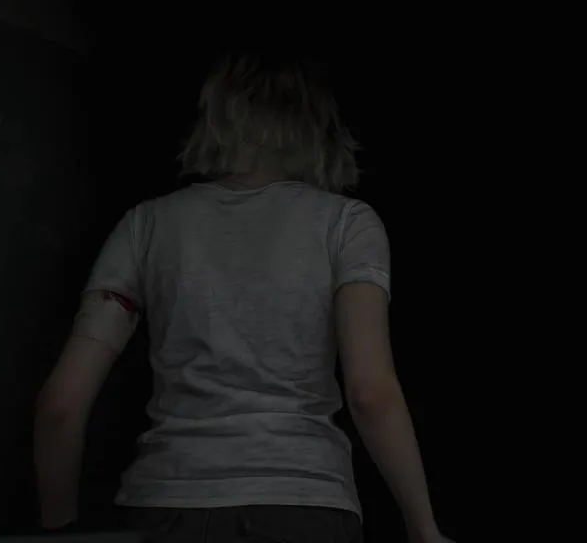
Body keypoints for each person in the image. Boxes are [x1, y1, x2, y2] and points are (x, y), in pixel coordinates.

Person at [33, 52, 452, 543]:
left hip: (166, 508)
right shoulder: (347, 224)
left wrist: (58, 527)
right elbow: (370, 393)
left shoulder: (145, 225)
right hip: (304, 505)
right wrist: (423, 530)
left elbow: (62, 404)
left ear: (214, 119)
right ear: (319, 125)